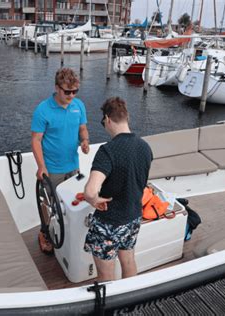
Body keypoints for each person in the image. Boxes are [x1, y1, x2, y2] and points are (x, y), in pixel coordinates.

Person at [83, 97, 152, 281]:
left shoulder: (108, 151)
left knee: (106, 277)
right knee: (128, 262)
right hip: (133, 217)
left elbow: (90, 191)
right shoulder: (145, 147)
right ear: (126, 117)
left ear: (107, 119)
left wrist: (94, 200)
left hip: (109, 223)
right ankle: (130, 305)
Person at [31, 67, 90, 254]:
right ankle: (45, 232)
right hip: (52, 169)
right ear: (57, 88)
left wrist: (85, 141)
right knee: (48, 203)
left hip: (73, 166)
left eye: (75, 91)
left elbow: (82, 129)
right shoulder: (43, 110)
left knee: (72, 202)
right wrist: (41, 167)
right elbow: (36, 140)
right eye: (67, 92)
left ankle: (67, 231)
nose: (71, 95)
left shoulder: (78, 105)